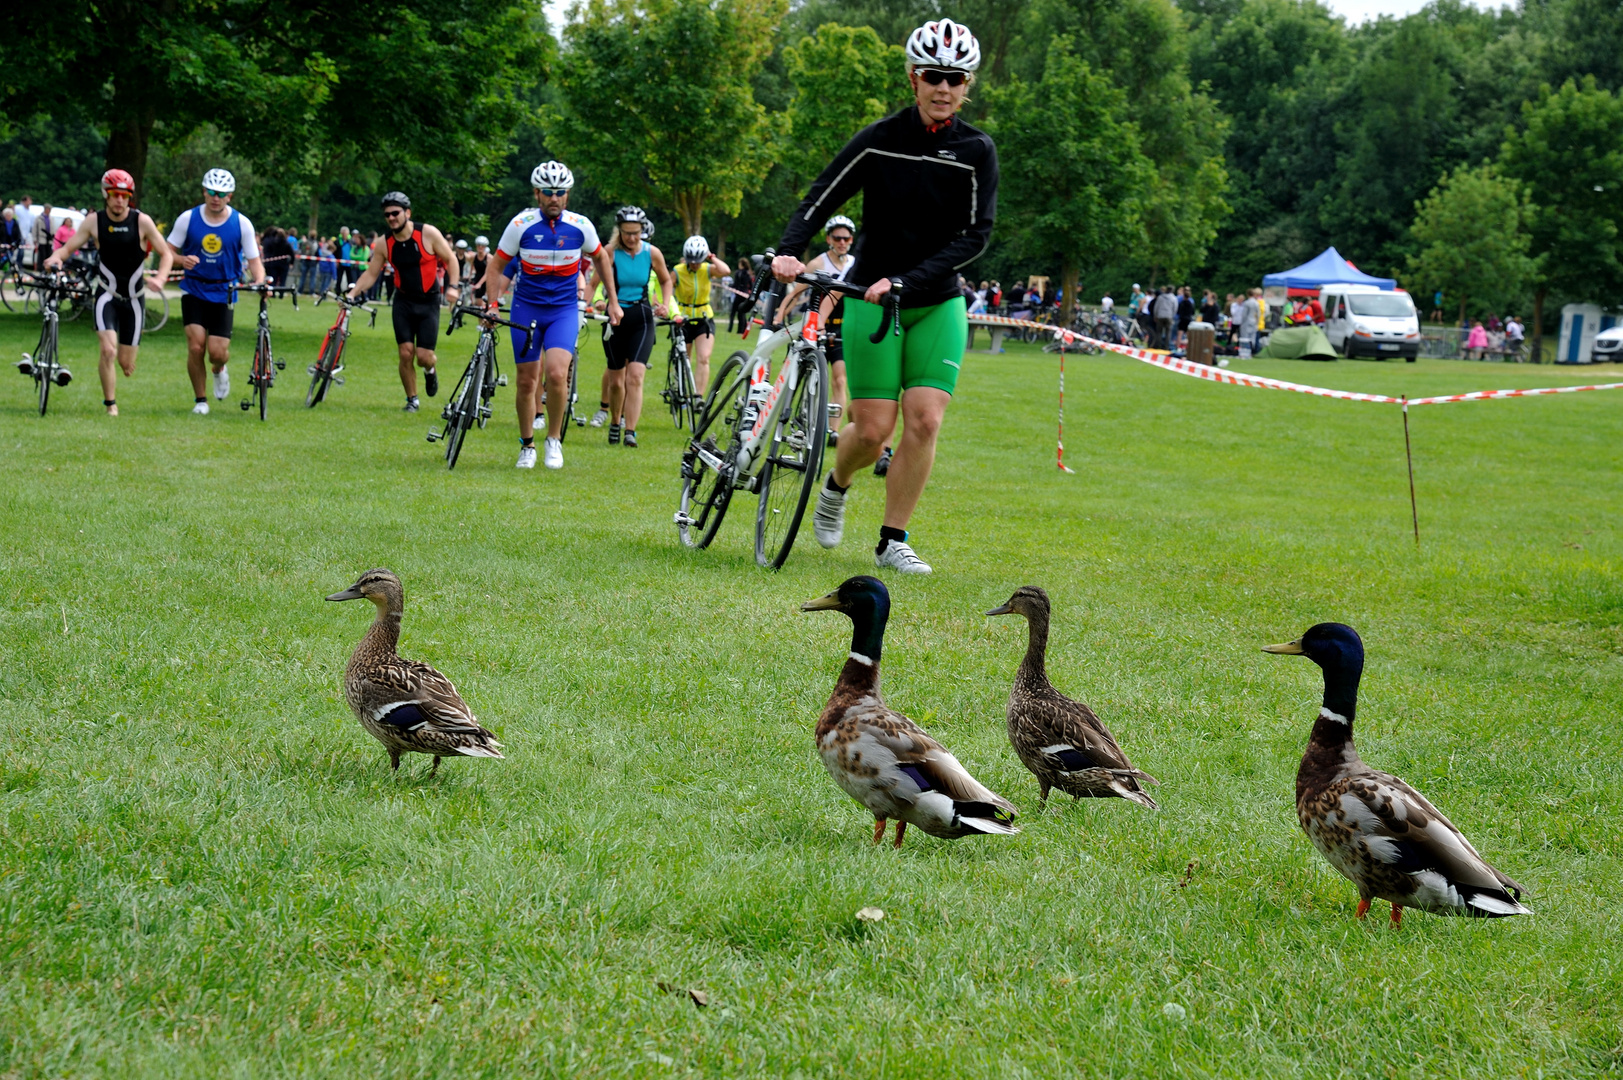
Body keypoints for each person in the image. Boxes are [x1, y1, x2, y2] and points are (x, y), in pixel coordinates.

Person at [772, 18, 995, 576]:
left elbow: (977, 235)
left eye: (955, 78)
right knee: (872, 430)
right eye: (932, 76)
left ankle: (893, 539)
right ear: (913, 78)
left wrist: (908, 281)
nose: (943, 88)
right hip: (870, 300)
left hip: (935, 302)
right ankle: (837, 483)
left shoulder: (976, 150)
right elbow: (820, 197)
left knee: (925, 420)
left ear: (967, 84)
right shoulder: (880, 139)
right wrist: (788, 250)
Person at [483, 160, 620, 470]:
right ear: (537, 194)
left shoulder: (581, 225)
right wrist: (493, 304)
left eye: (560, 192)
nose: (554, 198)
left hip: (563, 310)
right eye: (548, 192)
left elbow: (600, 257)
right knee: (526, 382)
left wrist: (612, 301)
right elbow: (496, 265)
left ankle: (554, 439)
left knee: (557, 375)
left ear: (567, 195)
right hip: (526, 308)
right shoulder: (521, 225)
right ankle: (527, 444)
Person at [43, 169, 173, 416]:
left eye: (125, 195)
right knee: (108, 350)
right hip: (106, 295)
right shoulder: (94, 221)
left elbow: (166, 253)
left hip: (134, 300)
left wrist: (161, 277)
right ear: (106, 195)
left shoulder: (141, 221)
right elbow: (68, 248)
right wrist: (55, 258)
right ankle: (110, 404)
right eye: (115, 195)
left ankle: (123, 364)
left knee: (125, 362)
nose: (120, 200)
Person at [346, 191, 460, 412]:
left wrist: (453, 287)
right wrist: (352, 293)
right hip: (403, 301)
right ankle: (412, 399)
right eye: (387, 215)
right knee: (405, 352)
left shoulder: (427, 233)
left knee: (423, 357)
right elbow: (371, 273)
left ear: (407, 213)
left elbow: (450, 259)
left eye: (395, 213)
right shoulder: (384, 243)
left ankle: (430, 370)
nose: (391, 218)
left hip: (428, 301)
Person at [166, 169, 267, 415]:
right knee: (196, 347)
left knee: (217, 353)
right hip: (194, 289)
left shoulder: (241, 223)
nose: (215, 198)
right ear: (204, 191)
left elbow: (254, 261)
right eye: (211, 192)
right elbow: (166, 251)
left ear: (229, 196)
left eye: (221, 194)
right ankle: (201, 400)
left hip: (225, 291)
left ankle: (219, 370)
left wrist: (260, 281)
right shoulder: (187, 219)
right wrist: (181, 259)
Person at [597, 206, 673, 448]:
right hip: (616, 319)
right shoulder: (609, 252)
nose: (632, 238)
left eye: (636, 233)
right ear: (619, 231)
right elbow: (593, 283)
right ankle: (615, 421)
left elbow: (665, 280)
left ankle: (630, 431)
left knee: (636, 375)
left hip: (642, 318)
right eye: (627, 233)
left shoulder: (653, 253)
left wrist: (666, 304)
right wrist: (592, 302)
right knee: (616, 381)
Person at [780, 214, 859, 439]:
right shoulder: (817, 263)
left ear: (851, 240)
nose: (842, 242)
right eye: (837, 238)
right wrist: (780, 315)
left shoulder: (855, 264)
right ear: (829, 239)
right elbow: (797, 293)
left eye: (846, 238)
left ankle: (833, 431)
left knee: (840, 379)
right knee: (808, 372)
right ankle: (801, 415)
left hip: (841, 327)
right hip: (816, 326)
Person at [672, 235, 731, 398]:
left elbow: (726, 271)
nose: (695, 264)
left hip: (704, 318)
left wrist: (711, 257)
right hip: (683, 319)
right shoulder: (677, 271)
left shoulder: (707, 269)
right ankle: (681, 391)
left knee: (704, 358)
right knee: (685, 358)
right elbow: (666, 292)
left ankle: (698, 396)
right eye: (692, 260)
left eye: (698, 260)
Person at [727, 257, 755, 336]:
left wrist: (730, 286)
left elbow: (736, 284)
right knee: (742, 313)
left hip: (739, 295)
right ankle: (741, 330)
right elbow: (750, 285)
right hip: (745, 295)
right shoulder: (748, 274)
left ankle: (731, 328)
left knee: (733, 313)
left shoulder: (739, 273)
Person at [1240, 288, 1261, 356]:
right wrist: (1257, 322)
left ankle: (1246, 351)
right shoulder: (1256, 303)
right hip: (1254, 322)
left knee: (1246, 337)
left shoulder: (1247, 303)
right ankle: (1252, 351)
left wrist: (1242, 323)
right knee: (1252, 337)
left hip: (1247, 322)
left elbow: (1244, 314)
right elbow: (1258, 314)